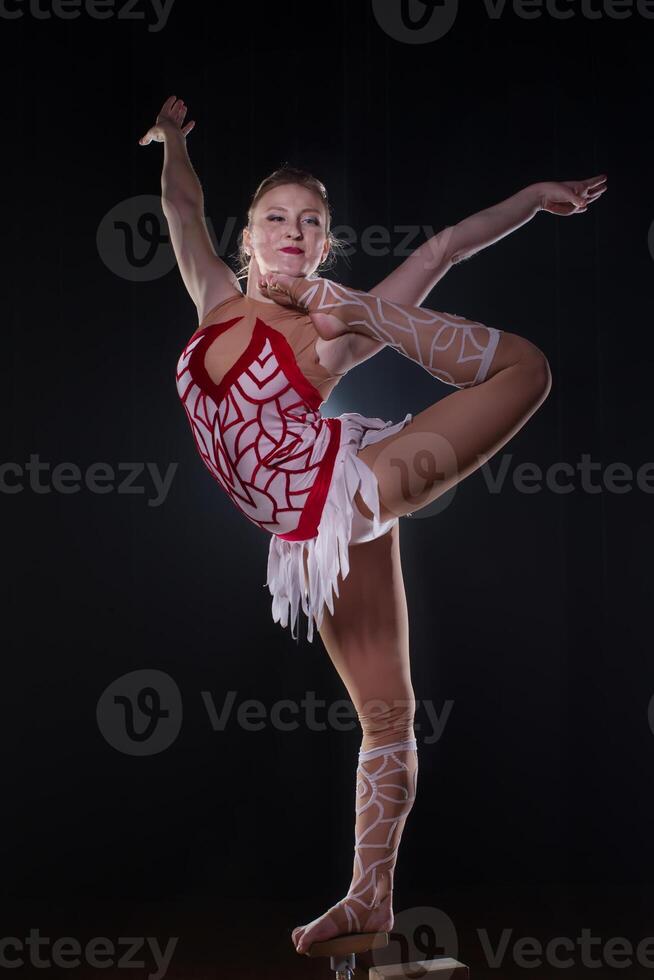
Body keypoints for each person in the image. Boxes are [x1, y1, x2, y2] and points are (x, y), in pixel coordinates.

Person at [140, 95, 607, 957]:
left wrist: (529, 198)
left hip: (350, 478)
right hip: (307, 536)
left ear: (325, 245)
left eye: (311, 223)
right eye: (276, 218)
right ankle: (369, 901)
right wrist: (171, 140)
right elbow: (180, 205)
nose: (293, 231)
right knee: (387, 718)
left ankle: (380, 318)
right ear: (248, 238)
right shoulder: (212, 300)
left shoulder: (324, 329)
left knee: (523, 370)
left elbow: (444, 248)